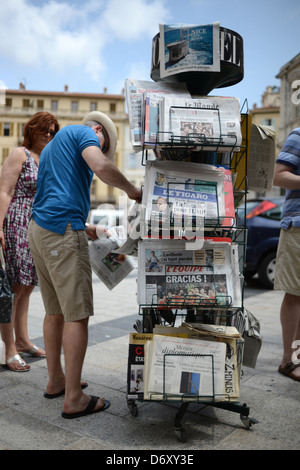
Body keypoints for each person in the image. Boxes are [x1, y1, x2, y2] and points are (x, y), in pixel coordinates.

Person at [28, 110, 142, 419]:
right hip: (60, 231)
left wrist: (86, 226)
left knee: (54, 311)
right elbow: (101, 166)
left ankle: (57, 381)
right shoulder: (85, 134)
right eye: (102, 143)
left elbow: (57, 192)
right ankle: (74, 397)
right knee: (77, 315)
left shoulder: (54, 145)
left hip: (39, 229)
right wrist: (134, 191)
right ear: (98, 130)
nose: (100, 148)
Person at [0, 111, 59, 372]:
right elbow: (5, 190)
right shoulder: (19, 154)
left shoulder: (46, 158)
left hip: (35, 225)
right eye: (44, 130)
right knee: (13, 287)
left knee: (26, 286)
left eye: (52, 131)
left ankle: (23, 340)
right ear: (32, 130)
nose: (48, 135)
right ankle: (9, 348)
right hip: (15, 222)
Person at [273, 127, 300, 382]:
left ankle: (297, 359)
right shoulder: (298, 135)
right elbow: (279, 177)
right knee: (294, 294)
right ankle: (287, 361)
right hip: (298, 226)